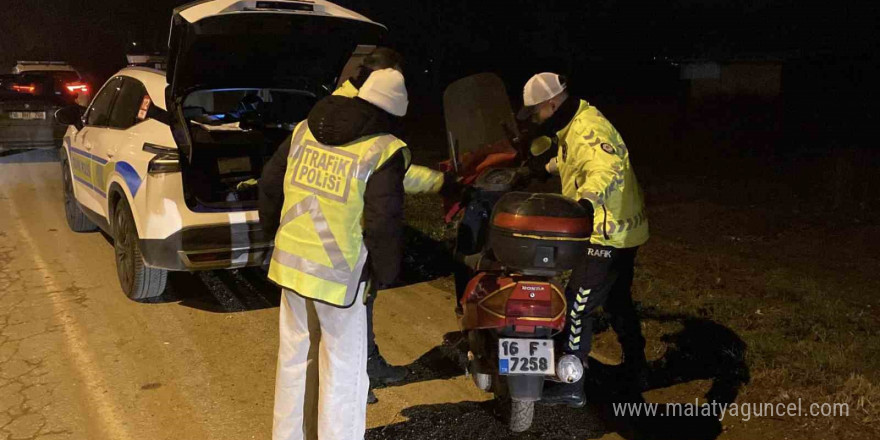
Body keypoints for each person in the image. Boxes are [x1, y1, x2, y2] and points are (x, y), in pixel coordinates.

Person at [262, 69, 410, 440]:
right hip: (340, 281)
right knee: (343, 370)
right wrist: (385, 273)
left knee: (295, 360)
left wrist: (275, 238)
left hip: (291, 268)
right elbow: (382, 222)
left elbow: (269, 182)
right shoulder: (383, 149)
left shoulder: (304, 130)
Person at [516, 72, 650, 407]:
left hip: (605, 230)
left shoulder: (587, 129)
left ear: (551, 104)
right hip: (623, 230)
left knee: (577, 305)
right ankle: (638, 368)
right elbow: (573, 159)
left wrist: (586, 203)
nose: (534, 119)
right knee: (617, 300)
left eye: (535, 112)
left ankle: (572, 384)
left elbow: (605, 169)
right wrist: (542, 169)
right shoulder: (573, 123)